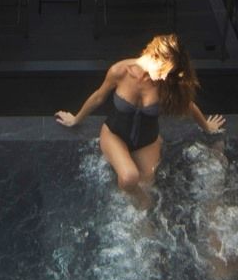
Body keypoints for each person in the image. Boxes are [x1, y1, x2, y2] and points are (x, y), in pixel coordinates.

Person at [55, 33, 223, 197]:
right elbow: (99, 97)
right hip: (115, 135)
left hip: (147, 141)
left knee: (146, 185)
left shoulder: (165, 83)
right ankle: (144, 203)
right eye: (163, 70)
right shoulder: (120, 71)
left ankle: (143, 216)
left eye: (169, 72)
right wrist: (76, 119)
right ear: (154, 56)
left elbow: (189, 106)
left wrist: (207, 126)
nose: (165, 76)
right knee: (129, 178)